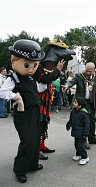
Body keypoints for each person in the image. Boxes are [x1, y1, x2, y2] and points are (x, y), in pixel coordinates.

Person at [0, 39, 45, 183]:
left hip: (34, 111)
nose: (31, 68)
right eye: (27, 64)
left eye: (34, 64)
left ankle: (31, 164)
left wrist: (47, 82)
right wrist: (15, 96)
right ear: (15, 60)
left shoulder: (30, 77)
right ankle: (19, 169)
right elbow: (2, 92)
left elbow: (38, 88)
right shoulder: (13, 77)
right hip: (23, 114)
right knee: (28, 141)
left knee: (36, 138)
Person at [62, 62, 96, 149]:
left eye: (90, 71)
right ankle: (83, 141)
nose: (88, 73)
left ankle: (92, 138)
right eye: (87, 71)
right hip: (81, 102)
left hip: (91, 102)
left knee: (92, 120)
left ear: (94, 70)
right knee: (82, 122)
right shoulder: (79, 76)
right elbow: (71, 82)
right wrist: (66, 86)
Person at [66, 97, 90, 165]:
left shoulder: (84, 114)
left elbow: (87, 124)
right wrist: (68, 125)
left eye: (75, 102)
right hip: (76, 131)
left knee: (81, 145)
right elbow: (71, 120)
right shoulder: (73, 111)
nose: (73, 103)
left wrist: (85, 133)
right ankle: (78, 154)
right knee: (76, 144)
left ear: (80, 106)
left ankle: (85, 157)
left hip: (81, 133)